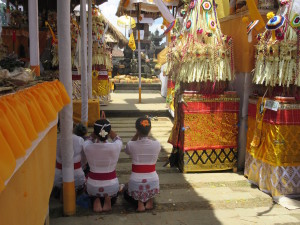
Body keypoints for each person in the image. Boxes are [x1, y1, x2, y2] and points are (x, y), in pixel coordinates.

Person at [84, 116, 122, 212]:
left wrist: (99, 129)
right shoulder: (116, 146)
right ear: (108, 133)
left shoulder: (87, 146)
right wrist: (106, 126)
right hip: (111, 186)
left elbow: (89, 139)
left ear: (95, 133)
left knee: (88, 187)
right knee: (117, 189)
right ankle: (109, 200)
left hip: (93, 186)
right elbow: (117, 138)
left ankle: (95, 199)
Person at [124, 117, 161, 212]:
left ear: (137, 130)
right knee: (149, 183)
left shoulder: (131, 144)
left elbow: (127, 151)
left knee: (126, 191)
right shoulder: (157, 144)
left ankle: (140, 203)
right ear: (150, 129)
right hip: (153, 181)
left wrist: (137, 134)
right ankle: (150, 201)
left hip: (135, 181)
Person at [53, 123, 87, 196]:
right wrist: (82, 167)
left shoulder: (55, 140)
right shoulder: (79, 140)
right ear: (72, 127)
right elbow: (84, 159)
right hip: (77, 175)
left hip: (57, 177)